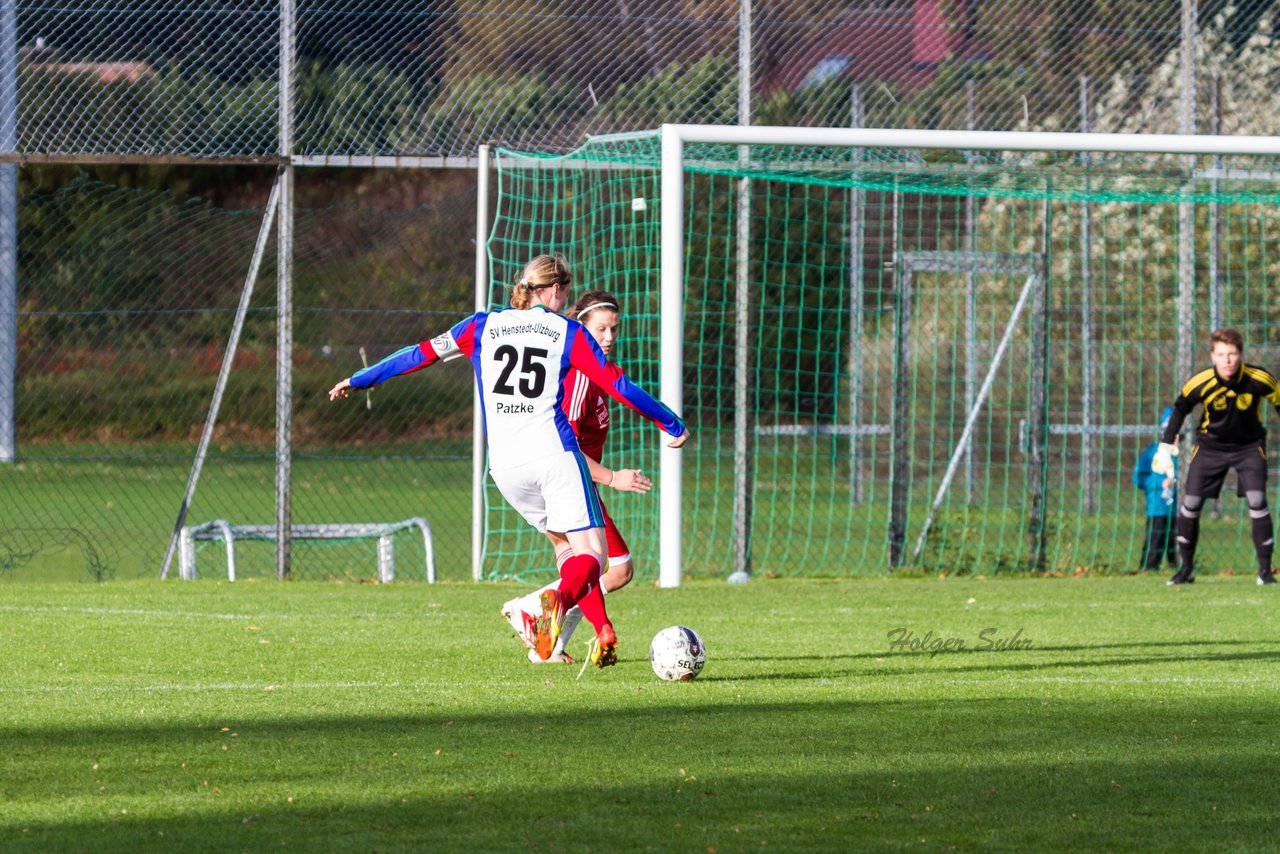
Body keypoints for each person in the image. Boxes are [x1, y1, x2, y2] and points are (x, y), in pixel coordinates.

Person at [329, 255, 691, 665]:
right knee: (596, 557)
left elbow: (419, 354)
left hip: (505, 468)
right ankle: (538, 607)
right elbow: (617, 384)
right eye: (565, 291)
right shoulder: (567, 331)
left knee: (566, 550)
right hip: (554, 456)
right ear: (555, 290)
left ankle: (550, 645)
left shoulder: (481, 325)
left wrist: (359, 379)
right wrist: (672, 423)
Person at [501, 290, 647, 664]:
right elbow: (564, 445)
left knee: (573, 556)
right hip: (565, 478)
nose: (609, 338)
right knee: (615, 566)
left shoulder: (589, 373)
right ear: (579, 325)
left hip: (562, 477)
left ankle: (549, 642)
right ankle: (535, 608)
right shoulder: (580, 379)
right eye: (600, 329)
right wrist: (613, 477)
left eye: (614, 329)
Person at [1154, 327, 1280, 586]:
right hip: (1210, 447)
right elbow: (1180, 408)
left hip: (1249, 447)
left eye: (1232, 354)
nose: (1227, 360)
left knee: (1257, 501)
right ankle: (1186, 569)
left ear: (1241, 354)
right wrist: (1165, 445)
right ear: (1212, 356)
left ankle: (1265, 572)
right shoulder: (1200, 382)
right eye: (1221, 354)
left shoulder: (1259, 378)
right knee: (1190, 505)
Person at [1133, 406, 1178, 571]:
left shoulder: (1184, 452)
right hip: (1157, 507)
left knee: (1178, 539)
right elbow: (1139, 477)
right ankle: (1149, 568)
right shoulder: (1152, 452)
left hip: (1179, 509)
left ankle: (1178, 567)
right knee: (1156, 536)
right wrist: (1159, 484)